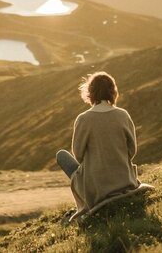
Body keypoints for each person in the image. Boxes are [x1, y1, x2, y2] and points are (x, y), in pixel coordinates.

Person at [55, 71, 141, 218]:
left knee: (62, 156)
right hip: (125, 181)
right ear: (113, 91)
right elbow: (132, 151)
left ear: (90, 93)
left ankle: (85, 199)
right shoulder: (123, 115)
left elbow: (79, 156)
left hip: (97, 189)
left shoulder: (83, 119)